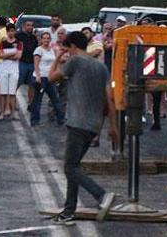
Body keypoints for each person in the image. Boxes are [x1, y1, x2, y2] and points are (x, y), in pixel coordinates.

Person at [48, 32, 118, 224]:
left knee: (70, 167)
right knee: (74, 166)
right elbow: (110, 99)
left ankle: (102, 195)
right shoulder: (102, 67)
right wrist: (113, 127)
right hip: (93, 126)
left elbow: (51, 77)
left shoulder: (75, 62)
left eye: (67, 48)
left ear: (72, 47)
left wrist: (57, 58)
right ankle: (68, 212)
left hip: (77, 122)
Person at [30, 32, 65, 126]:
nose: (46, 40)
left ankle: (60, 120)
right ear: (41, 40)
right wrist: (37, 76)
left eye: (48, 38)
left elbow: (56, 62)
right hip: (41, 78)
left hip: (50, 78)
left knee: (55, 99)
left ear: (50, 40)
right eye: (44, 38)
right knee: (37, 100)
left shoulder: (52, 50)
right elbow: (36, 64)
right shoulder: (39, 50)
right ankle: (34, 120)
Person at [0, 24, 23, 120]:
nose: (11, 33)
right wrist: (13, 53)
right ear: (7, 32)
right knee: (3, 92)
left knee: (12, 93)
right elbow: (0, 55)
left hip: (14, 70)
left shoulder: (19, 43)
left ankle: (13, 113)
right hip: (4, 69)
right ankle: (2, 112)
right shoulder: (3, 42)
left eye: (13, 31)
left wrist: (6, 55)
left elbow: (19, 56)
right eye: (10, 31)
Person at [16, 20, 39, 111]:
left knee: (32, 85)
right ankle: (12, 103)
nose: (30, 27)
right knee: (17, 83)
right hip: (21, 63)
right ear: (24, 26)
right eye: (28, 25)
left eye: (32, 25)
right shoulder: (18, 36)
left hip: (32, 63)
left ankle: (31, 104)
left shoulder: (34, 38)